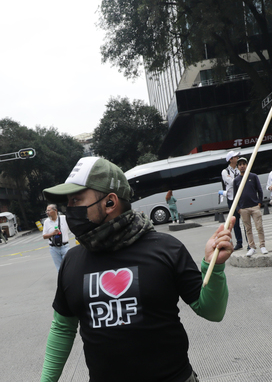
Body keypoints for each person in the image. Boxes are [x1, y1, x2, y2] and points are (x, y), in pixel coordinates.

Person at [40, 156, 233, 382]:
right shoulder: (72, 260)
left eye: (76, 200)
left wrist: (214, 266)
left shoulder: (166, 248)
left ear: (110, 202)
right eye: (68, 202)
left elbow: (212, 311)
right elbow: (63, 328)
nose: (69, 209)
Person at [233, 157, 267, 257]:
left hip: (254, 206)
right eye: (240, 164)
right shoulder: (236, 180)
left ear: (247, 165)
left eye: (244, 164)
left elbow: (259, 190)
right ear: (238, 167)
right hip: (243, 208)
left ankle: (262, 245)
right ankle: (252, 247)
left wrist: (259, 202)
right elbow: (235, 195)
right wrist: (238, 208)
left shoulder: (253, 176)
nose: (242, 166)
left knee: (259, 227)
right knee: (248, 229)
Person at [222, 150, 243, 249]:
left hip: (242, 197)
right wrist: (238, 179)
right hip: (232, 199)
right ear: (231, 159)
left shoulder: (239, 170)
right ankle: (239, 243)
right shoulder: (225, 171)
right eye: (236, 157)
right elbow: (232, 182)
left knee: (246, 221)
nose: (238, 158)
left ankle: (250, 243)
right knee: (235, 221)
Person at [42, 204, 72, 270]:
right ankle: (62, 280)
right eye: (46, 211)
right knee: (59, 268)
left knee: (68, 266)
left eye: (49, 210)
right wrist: (53, 233)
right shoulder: (47, 222)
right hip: (54, 248)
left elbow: (72, 227)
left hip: (65, 247)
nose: (47, 212)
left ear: (55, 210)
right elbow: (44, 236)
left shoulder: (64, 218)